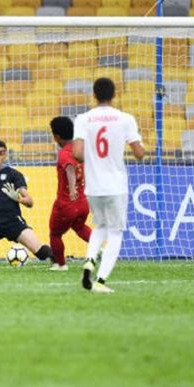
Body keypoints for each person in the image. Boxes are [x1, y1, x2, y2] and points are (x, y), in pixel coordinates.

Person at [73, 77, 145, 294]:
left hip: (93, 185)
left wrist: (94, 160)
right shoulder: (125, 119)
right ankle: (101, 280)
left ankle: (89, 260)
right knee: (115, 233)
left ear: (93, 95)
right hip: (115, 185)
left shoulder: (83, 119)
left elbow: (76, 153)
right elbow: (139, 153)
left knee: (100, 227)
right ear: (114, 95)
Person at [47, 116, 92, 271]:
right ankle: (98, 248)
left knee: (55, 234)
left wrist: (72, 188)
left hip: (67, 203)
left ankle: (61, 264)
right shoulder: (80, 149)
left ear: (57, 136)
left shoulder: (65, 153)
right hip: (83, 202)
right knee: (79, 227)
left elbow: (69, 168)